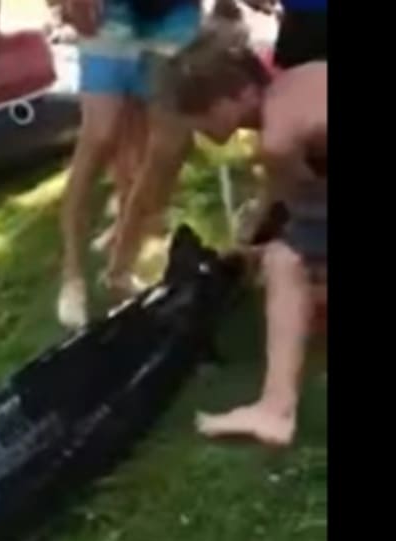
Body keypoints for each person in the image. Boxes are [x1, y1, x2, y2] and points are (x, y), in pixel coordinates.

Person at [155, 33, 325, 446]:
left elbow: (310, 234)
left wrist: (263, 252)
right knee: (288, 260)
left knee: (286, 264)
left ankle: (275, 410)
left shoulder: (278, 143)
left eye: (201, 111)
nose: (196, 126)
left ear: (242, 94)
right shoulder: (301, 80)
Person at [55, 0, 207, 329]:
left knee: (169, 146)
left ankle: (119, 269)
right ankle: (72, 274)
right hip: (109, 14)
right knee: (101, 135)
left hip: (174, 16)